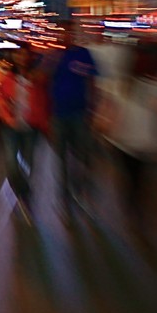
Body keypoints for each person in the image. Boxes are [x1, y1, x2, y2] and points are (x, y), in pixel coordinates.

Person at [105, 43, 157, 231]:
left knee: (129, 178)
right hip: (148, 143)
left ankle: (131, 209)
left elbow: (112, 113)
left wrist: (106, 131)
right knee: (142, 180)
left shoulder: (120, 86)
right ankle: (139, 210)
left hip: (124, 140)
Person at [49, 20, 100, 214]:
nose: (66, 36)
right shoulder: (53, 57)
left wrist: (94, 111)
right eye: (63, 33)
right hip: (58, 114)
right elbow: (42, 83)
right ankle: (64, 196)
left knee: (82, 155)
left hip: (80, 113)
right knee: (61, 158)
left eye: (69, 32)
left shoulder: (84, 54)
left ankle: (81, 189)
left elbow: (93, 81)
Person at [0, 53, 49, 209]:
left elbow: (44, 104)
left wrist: (45, 126)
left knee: (28, 162)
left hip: (30, 128)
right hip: (10, 128)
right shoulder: (8, 80)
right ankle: (20, 190)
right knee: (12, 163)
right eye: (19, 58)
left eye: (24, 58)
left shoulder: (37, 82)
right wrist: (7, 116)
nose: (21, 61)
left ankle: (25, 193)